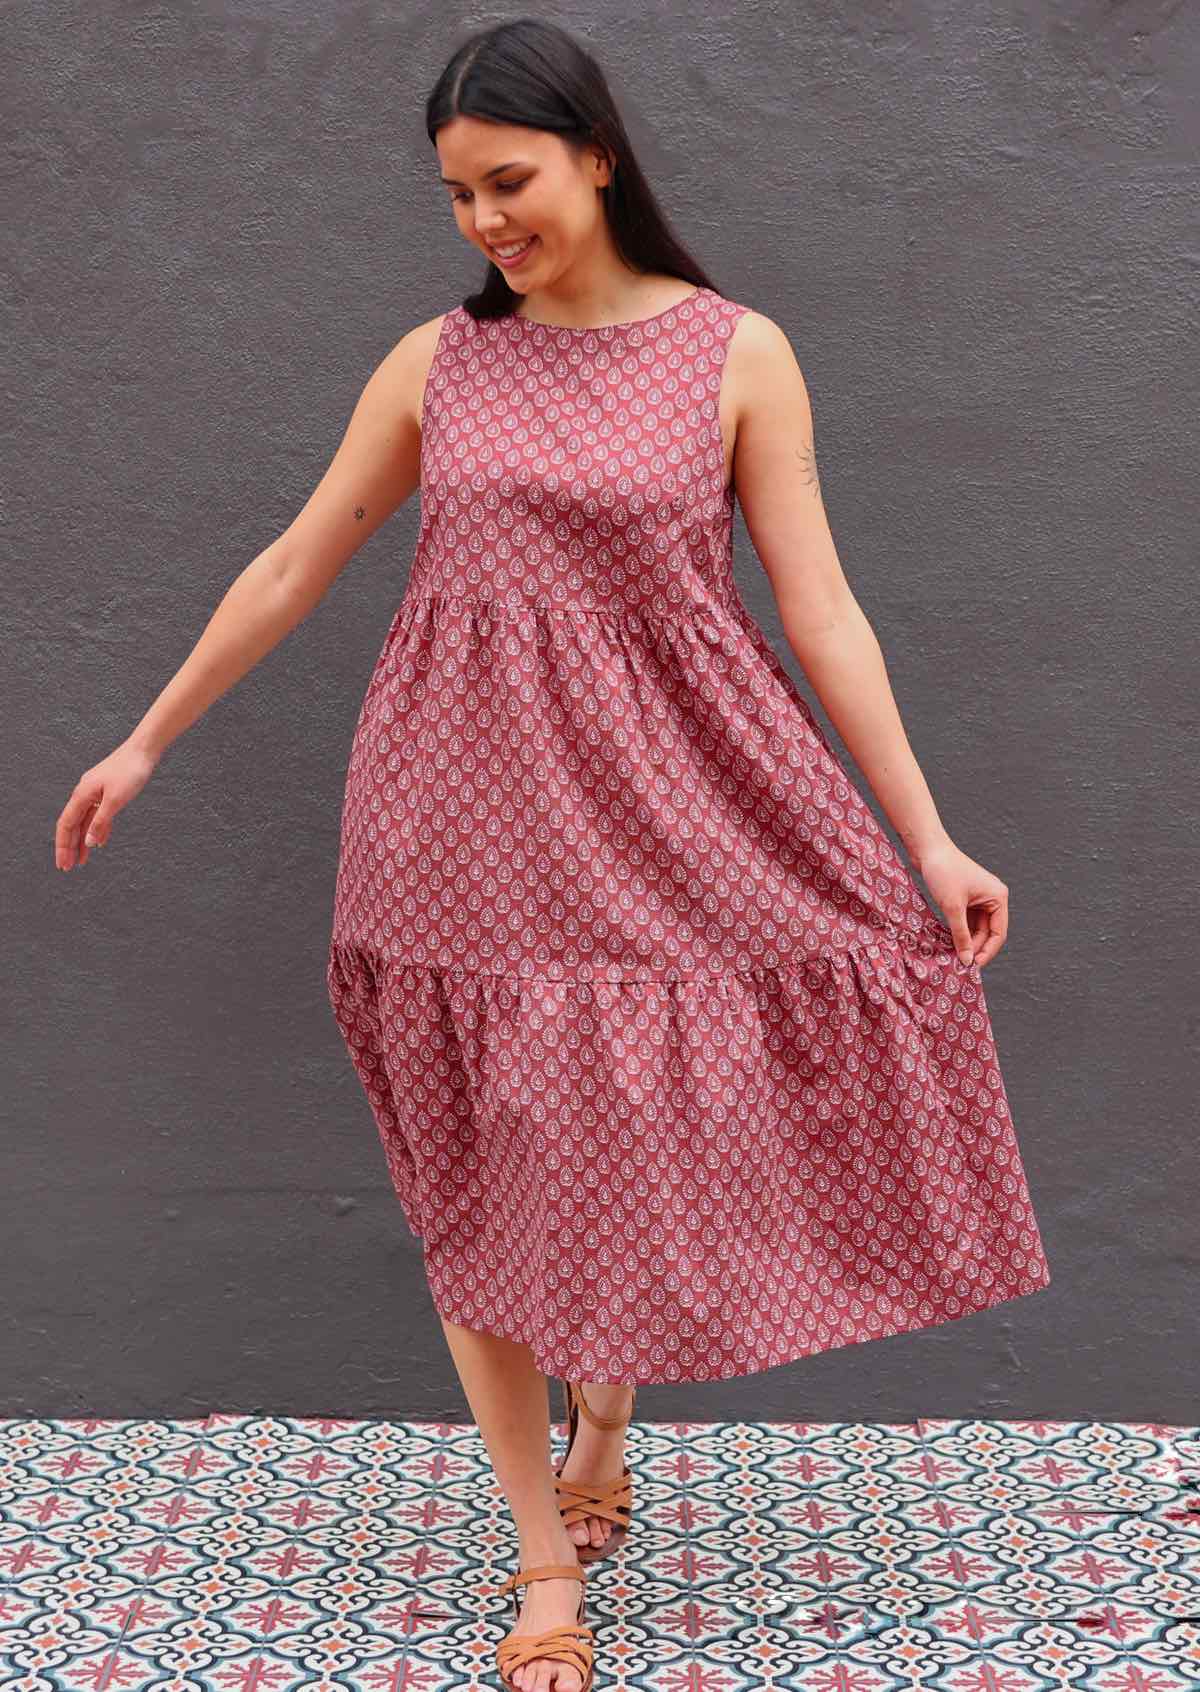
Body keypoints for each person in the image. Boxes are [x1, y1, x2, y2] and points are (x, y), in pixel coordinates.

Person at [54, 17, 1052, 1692]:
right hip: (455, 822)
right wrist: (148, 736)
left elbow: (820, 610)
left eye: (506, 182)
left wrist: (927, 830)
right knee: (481, 1172)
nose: (481, 223)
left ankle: (610, 1410)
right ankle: (540, 1560)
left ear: (596, 155)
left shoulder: (738, 352)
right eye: (454, 196)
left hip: (670, 810)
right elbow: (301, 559)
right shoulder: (439, 363)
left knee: (633, 1126)